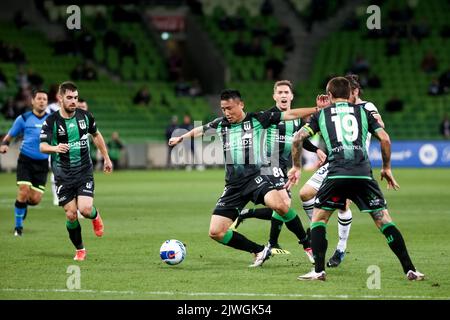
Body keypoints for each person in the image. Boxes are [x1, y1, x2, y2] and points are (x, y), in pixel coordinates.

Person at [288, 77, 424, 281]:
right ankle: (410, 269)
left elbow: (298, 137)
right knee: (383, 219)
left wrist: (296, 166)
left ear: (330, 95)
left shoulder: (322, 114)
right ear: (351, 93)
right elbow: (385, 138)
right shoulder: (364, 112)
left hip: (336, 173)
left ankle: (318, 271)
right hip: (362, 173)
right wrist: (386, 167)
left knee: (319, 219)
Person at [169, 89, 325, 267]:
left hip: (256, 179)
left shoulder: (257, 119)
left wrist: (316, 109)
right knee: (216, 232)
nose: (227, 112)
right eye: (223, 109)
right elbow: (201, 129)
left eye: (230, 108)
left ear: (240, 104)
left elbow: (289, 114)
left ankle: (306, 244)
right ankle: (259, 250)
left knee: (281, 206)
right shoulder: (221, 124)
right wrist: (181, 137)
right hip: (233, 186)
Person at [230, 80, 327, 263]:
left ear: (291, 96)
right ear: (275, 96)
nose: (283, 95)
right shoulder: (269, 116)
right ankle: (298, 244)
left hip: (283, 165)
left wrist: (316, 150)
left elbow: (300, 139)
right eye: (280, 92)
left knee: (282, 207)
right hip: (268, 162)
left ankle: (248, 218)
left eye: (286, 92)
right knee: (284, 204)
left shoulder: (297, 118)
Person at [299, 74, 385, 268]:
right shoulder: (340, 109)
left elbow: (381, 128)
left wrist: (376, 120)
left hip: (356, 163)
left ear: (354, 92)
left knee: (343, 205)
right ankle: (317, 228)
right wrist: (322, 110)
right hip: (335, 161)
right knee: (305, 194)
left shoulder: (367, 107)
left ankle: (340, 248)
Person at [39, 81, 113, 261]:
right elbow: (42, 146)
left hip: (83, 171)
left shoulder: (85, 116)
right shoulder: (51, 121)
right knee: (71, 215)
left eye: (76, 98)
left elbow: (96, 135)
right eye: (69, 98)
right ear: (60, 98)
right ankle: (80, 249)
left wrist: (106, 157)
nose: (73, 101)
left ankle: (95, 216)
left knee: (85, 209)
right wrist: (56, 148)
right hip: (62, 175)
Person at [0, 90, 49, 236]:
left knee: (34, 200)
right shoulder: (24, 118)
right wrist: (4, 144)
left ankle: (23, 205)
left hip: (42, 163)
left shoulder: (52, 120)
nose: (42, 101)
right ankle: (18, 227)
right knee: (23, 191)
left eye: (45, 99)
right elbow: (9, 136)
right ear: (32, 101)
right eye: (39, 98)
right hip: (26, 160)